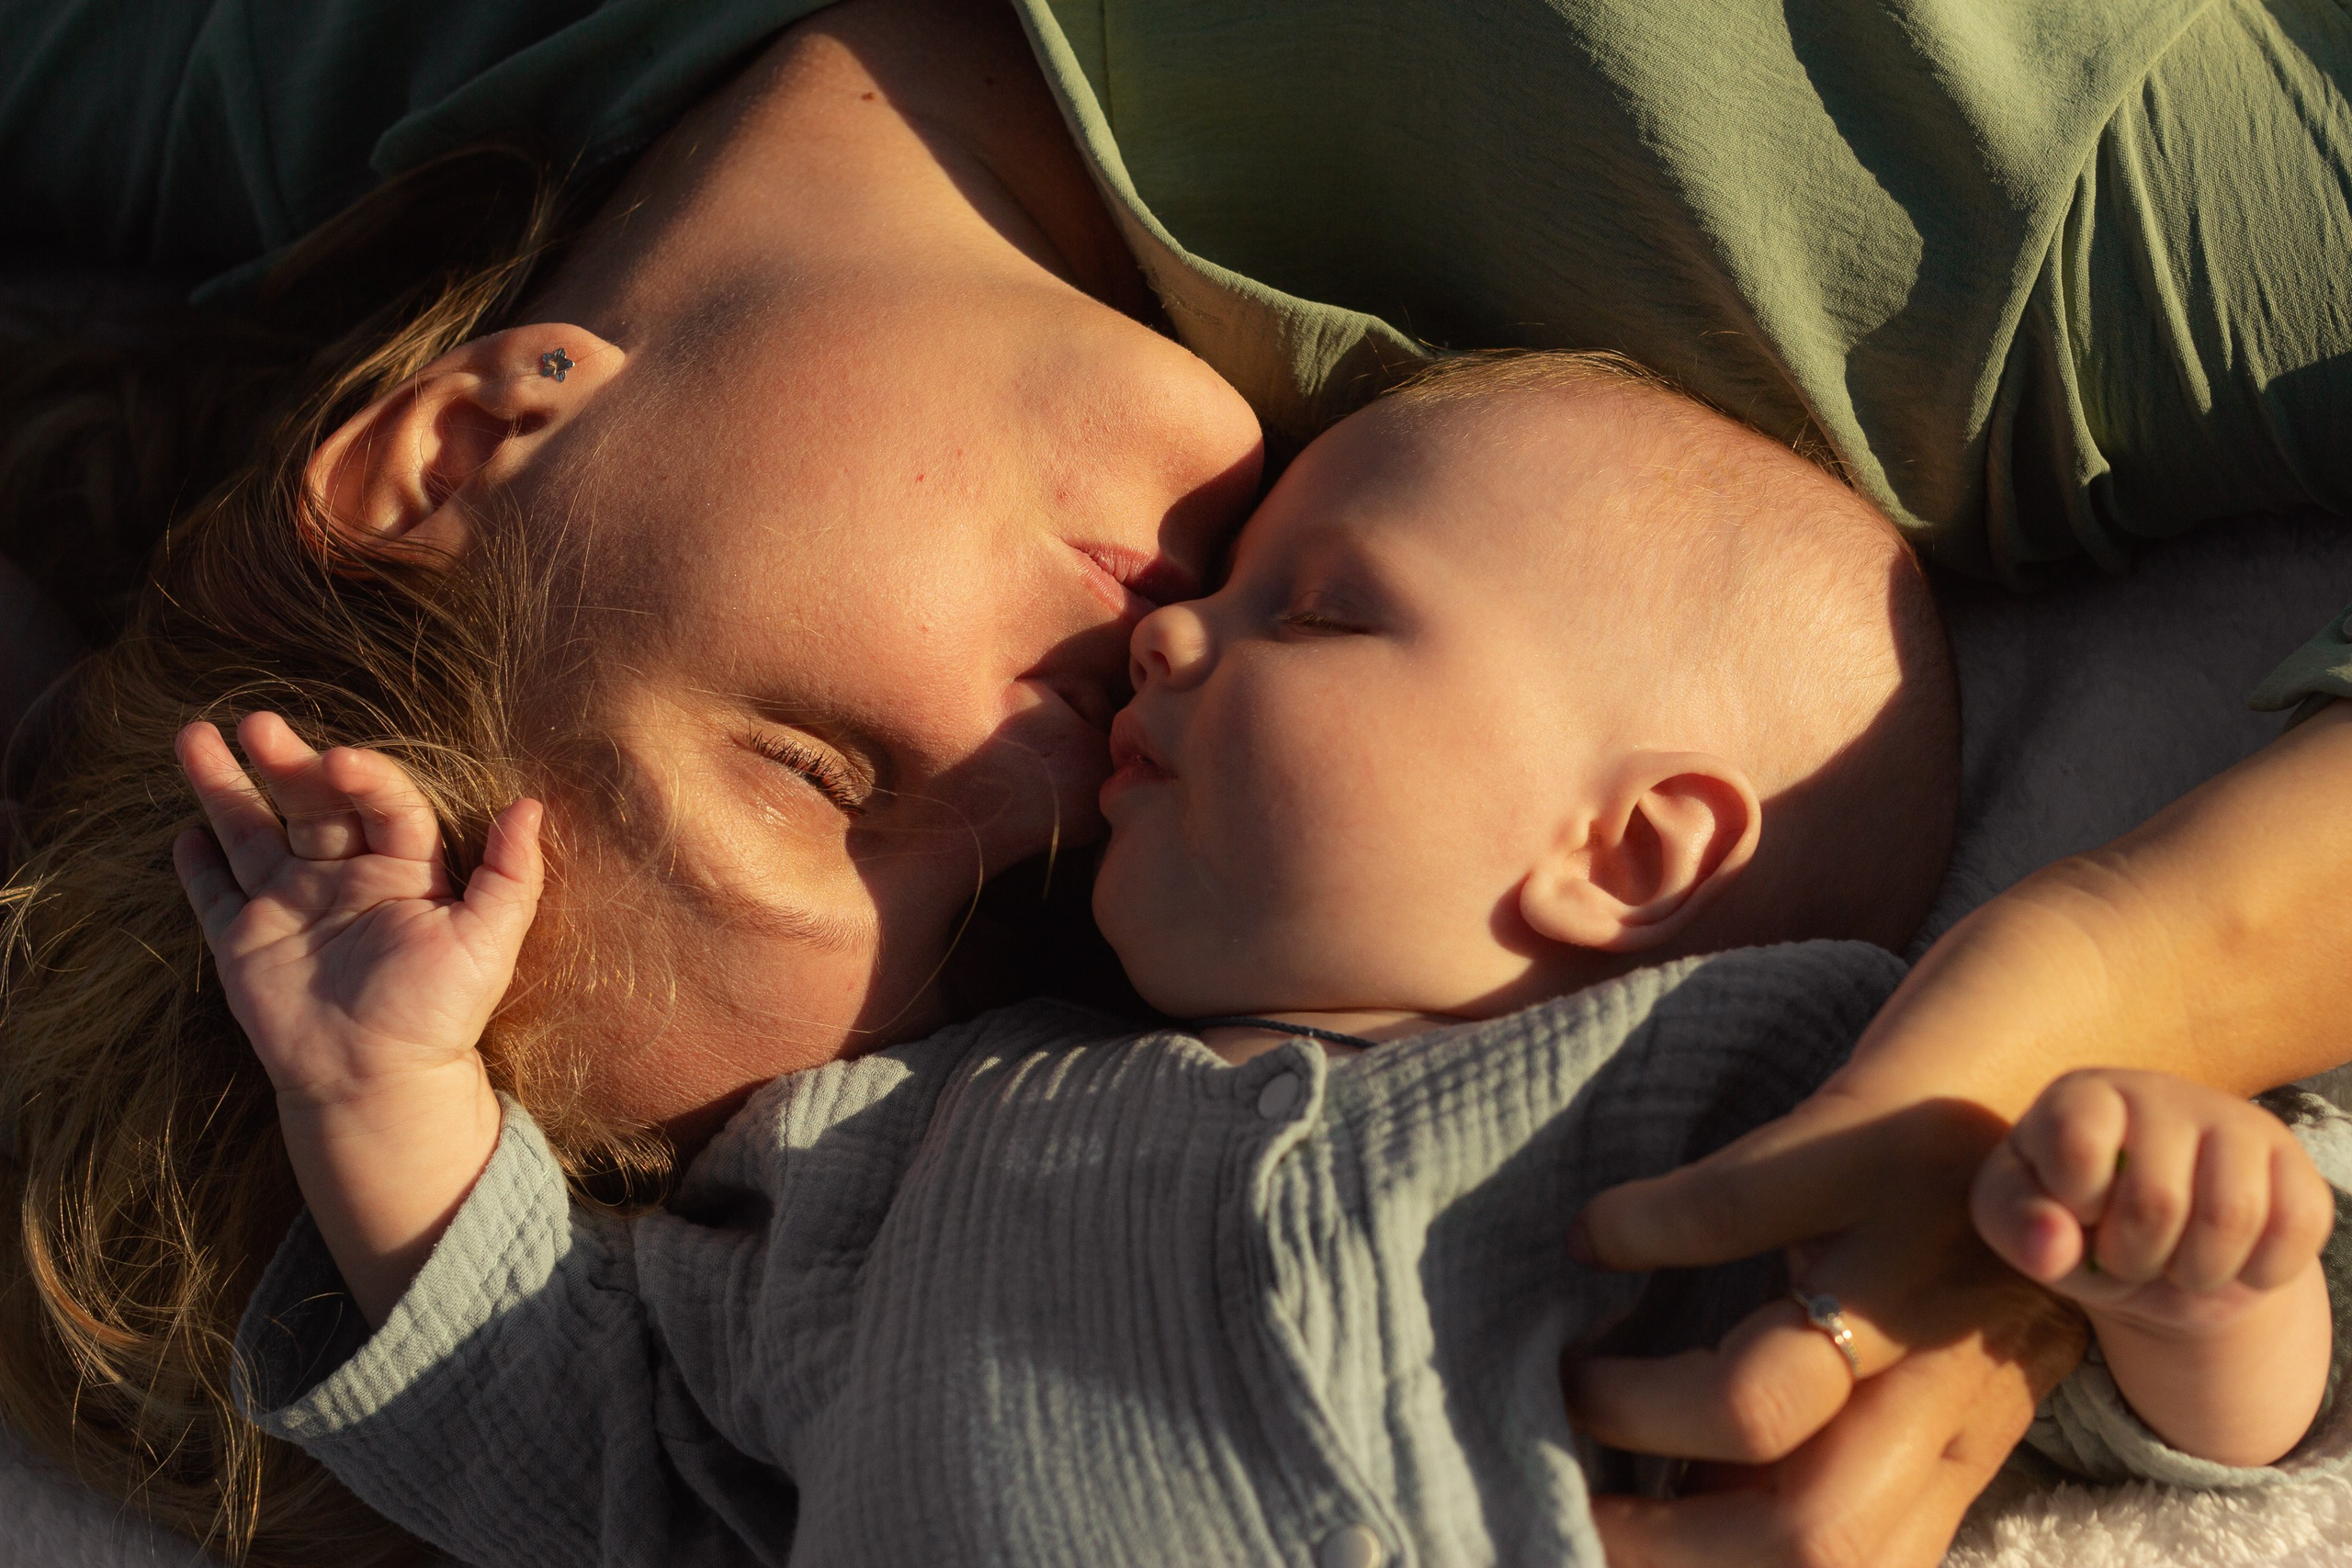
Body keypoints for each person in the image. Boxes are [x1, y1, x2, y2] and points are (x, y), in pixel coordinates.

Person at [2, 1, 2350, 1563]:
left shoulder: (270, 75)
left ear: (467, 438)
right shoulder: (1992, 286)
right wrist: (2078, 994)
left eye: (814, 773)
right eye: (1009, 914)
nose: (1067, 758)